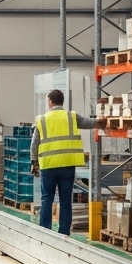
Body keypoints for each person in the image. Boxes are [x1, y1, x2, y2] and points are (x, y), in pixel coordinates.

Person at [32, 89, 100, 235]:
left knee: (46, 200)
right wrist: (105, 120)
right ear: (62, 101)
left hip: (48, 166)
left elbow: (34, 144)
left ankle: (45, 231)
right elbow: (90, 123)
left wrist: (33, 162)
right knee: (65, 201)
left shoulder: (42, 119)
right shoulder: (72, 117)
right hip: (67, 165)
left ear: (50, 101)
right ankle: (64, 232)